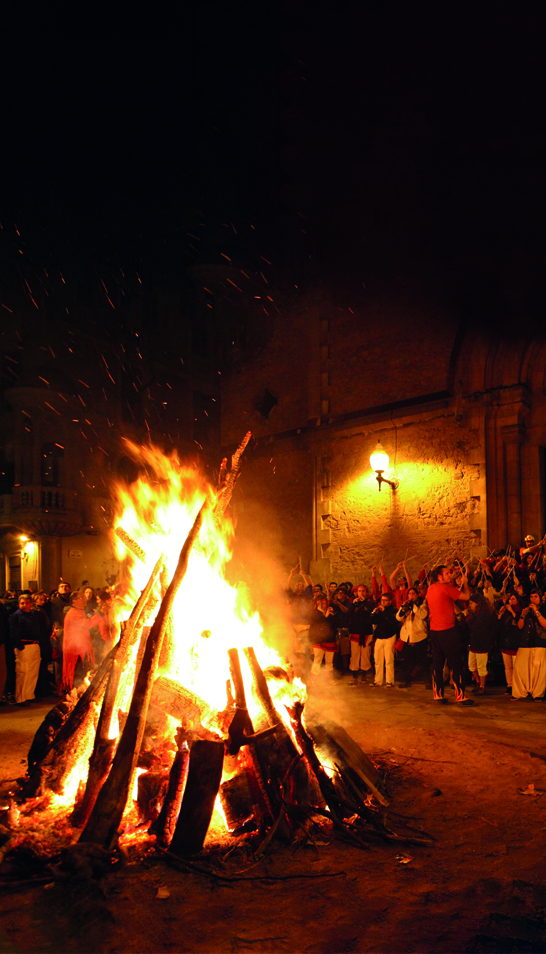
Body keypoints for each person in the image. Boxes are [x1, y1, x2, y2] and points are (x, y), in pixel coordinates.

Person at [426, 565, 474, 706]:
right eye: (447, 573)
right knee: (456, 664)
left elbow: (449, 596)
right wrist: (465, 582)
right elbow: (466, 597)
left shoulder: (431, 588)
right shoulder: (446, 588)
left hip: (434, 631)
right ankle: (460, 696)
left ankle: (438, 695)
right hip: (447, 631)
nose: (450, 575)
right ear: (440, 577)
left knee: (437, 664)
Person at [62, 589, 108, 692]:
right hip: (75, 650)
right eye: (82, 598)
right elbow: (88, 624)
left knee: (83, 673)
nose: (85, 599)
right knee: (77, 674)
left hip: (82, 648)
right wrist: (101, 614)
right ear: (74, 601)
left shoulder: (80, 611)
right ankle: (74, 693)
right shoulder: (73, 614)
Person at [8, 594, 44, 705]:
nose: (24, 605)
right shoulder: (15, 616)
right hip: (24, 645)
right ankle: (21, 697)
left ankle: (29, 694)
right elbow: (13, 632)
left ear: (31, 604)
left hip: (34, 644)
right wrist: (19, 645)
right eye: (22, 603)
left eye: (27, 603)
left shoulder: (34, 615)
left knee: (33, 671)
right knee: (23, 671)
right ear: (19, 604)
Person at [512, 590, 546, 700]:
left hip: (539, 642)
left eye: (535, 597)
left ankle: (537, 693)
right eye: (531, 597)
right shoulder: (527, 609)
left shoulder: (544, 609)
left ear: (540, 598)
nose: (533, 599)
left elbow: (544, 624)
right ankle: (521, 692)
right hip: (525, 642)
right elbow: (520, 626)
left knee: (538, 670)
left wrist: (537, 611)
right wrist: (522, 615)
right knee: (520, 667)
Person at [395, 587, 430, 688]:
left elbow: (423, 615)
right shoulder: (405, 605)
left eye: (413, 593)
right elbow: (398, 617)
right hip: (407, 636)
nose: (411, 595)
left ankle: (427, 681)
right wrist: (404, 608)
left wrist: (413, 606)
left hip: (419, 636)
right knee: (407, 660)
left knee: (423, 660)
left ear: (417, 595)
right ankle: (407, 680)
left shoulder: (422, 605)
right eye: (409, 594)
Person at [467, 593, 496, 695]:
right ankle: (478, 682)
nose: (470, 605)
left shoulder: (484, 614)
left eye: (471, 603)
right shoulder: (476, 614)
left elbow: (479, 628)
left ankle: (482, 686)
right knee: (471, 666)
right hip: (474, 643)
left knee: (481, 666)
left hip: (482, 643)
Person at [370, 592, 399, 687]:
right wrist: (374, 614)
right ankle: (378, 680)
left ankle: (389, 681)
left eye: (385, 600)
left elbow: (393, 621)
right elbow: (373, 621)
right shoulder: (380, 610)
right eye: (382, 600)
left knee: (389, 660)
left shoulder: (394, 610)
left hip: (390, 636)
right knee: (377, 660)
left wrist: (384, 611)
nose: (382, 602)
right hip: (379, 637)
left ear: (390, 601)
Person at [348, 584, 375, 685]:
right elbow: (349, 615)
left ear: (366, 593)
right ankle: (354, 676)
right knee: (355, 655)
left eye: (363, 591)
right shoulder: (353, 603)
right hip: (355, 632)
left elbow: (372, 613)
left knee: (365, 655)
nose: (361, 593)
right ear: (356, 593)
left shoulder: (370, 603)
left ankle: (364, 675)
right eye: (359, 591)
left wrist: (364, 602)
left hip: (367, 632)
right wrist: (354, 605)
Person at [308, 596, 337, 681]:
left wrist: (332, 614)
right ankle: (313, 679)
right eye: (321, 603)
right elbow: (316, 625)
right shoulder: (314, 613)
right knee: (317, 661)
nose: (323, 605)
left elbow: (335, 624)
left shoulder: (330, 612)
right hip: (318, 640)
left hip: (329, 639)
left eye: (324, 603)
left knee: (329, 661)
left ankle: (329, 679)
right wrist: (325, 616)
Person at [497, 594, 521, 695]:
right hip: (505, 642)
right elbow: (499, 626)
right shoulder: (505, 612)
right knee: (507, 666)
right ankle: (509, 685)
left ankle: (517, 685)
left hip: (515, 643)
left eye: (513, 599)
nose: (511, 601)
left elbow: (519, 623)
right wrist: (500, 614)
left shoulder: (520, 610)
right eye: (510, 599)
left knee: (516, 666)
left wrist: (512, 611)